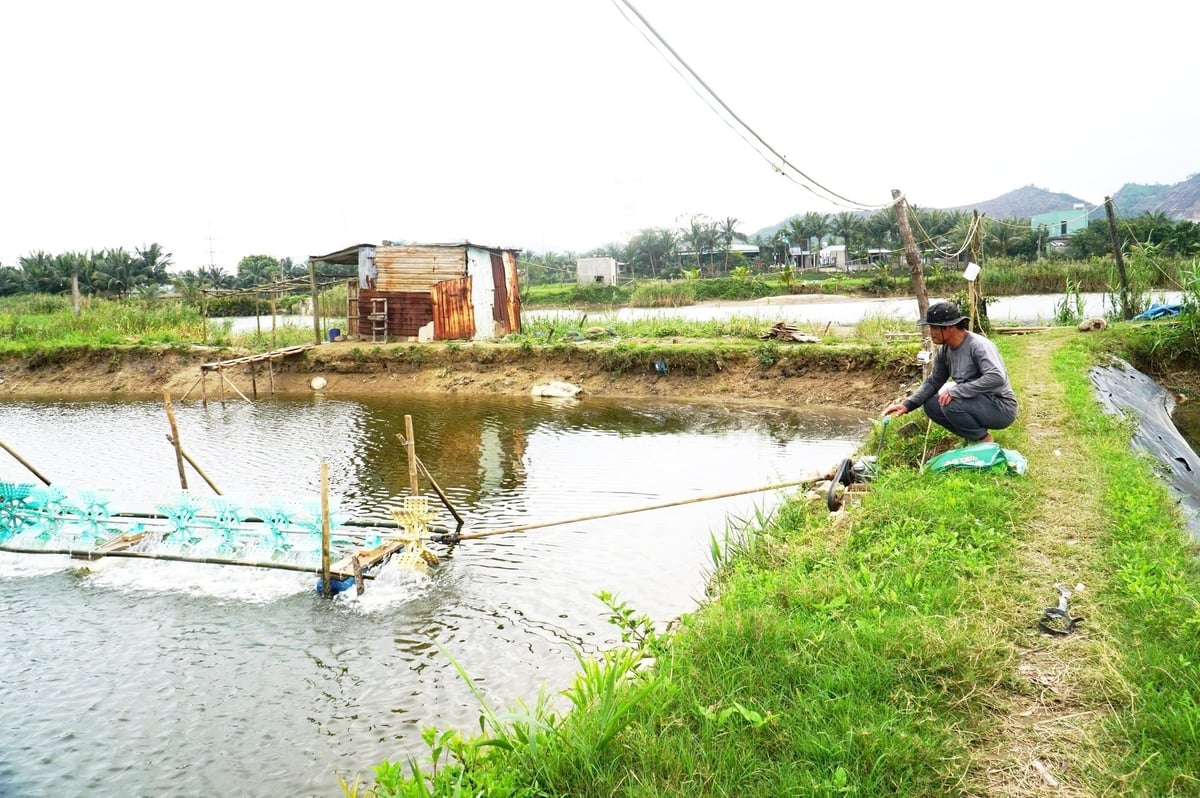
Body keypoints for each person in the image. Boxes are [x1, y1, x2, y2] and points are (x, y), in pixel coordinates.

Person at [883, 301, 1018, 443]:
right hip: (975, 402)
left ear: (950, 328)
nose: (930, 332)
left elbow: (996, 377)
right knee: (931, 405)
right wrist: (908, 404)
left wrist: (956, 391)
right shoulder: (945, 350)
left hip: (1000, 407)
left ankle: (984, 441)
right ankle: (975, 436)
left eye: (934, 327)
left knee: (949, 402)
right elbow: (934, 381)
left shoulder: (978, 346)